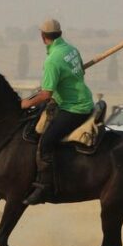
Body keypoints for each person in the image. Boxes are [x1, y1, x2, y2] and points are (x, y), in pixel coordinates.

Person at [20, 18, 95, 206]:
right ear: (60, 33)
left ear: (42, 36)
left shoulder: (52, 60)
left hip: (74, 108)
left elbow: (45, 94)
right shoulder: (71, 50)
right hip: (81, 100)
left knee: (46, 141)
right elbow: (79, 75)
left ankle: (43, 187)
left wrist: (26, 103)